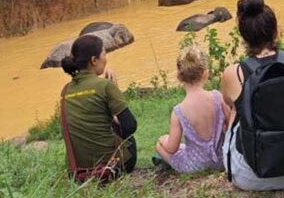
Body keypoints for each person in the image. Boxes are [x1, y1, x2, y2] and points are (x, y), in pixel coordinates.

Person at [220, 0, 284, 191]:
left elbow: (228, 104)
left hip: (254, 177)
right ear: (275, 31)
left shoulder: (235, 73)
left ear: (244, 36)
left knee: (234, 109)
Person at [60, 35, 137, 182]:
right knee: (129, 139)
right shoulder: (105, 85)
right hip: (109, 170)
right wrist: (115, 89)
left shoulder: (65, 91)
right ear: (94, 60)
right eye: (104, 54)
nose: (106, 59)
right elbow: (130, 127)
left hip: (77, 174)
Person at [155, 45, 230, 173]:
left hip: (195, 166)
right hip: (223, 160)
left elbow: (172, 148)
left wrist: (164, 141)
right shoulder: (218, 98)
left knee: (159, 145)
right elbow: (230, 126)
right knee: (184, 147)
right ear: (205, 73)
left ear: (179, 76)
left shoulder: (179, 112)